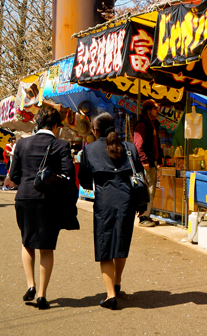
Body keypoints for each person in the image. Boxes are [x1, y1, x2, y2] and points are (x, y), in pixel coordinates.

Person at [8, 105, 78, 310]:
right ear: (56, 126)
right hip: (49, 201)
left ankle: (30, 285)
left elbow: (13, 176)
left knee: (27, 242)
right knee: (46, 248)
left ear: (37, 124)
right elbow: (68, 176)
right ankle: (42, 295)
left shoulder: (21, 144)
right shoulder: (61, 145)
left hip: (24, 198)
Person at [78, 112, 143, 310]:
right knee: (121, 243)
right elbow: (139, 173)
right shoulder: (129, 147)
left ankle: (110, 295)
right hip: (127, 201)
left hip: (104, 202)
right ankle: (117, 282)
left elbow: (84, 180)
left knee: (105, 247)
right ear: (114, 127)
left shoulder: (88, 150)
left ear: (95, 130)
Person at [133, 99, 162, 228]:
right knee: (147, 190)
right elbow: (138, 145)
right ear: (148, 110)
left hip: (152, 162)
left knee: (151, 189)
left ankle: (147, 215)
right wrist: (144, 160)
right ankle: (143, 217)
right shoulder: (142, 124)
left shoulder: (152, 123)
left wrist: (159, 160)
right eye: (155, 109)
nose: (157, 111)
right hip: (146, 163)